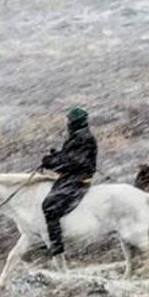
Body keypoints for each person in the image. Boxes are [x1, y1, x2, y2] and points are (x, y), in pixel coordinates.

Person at [39, 106, 97, 256]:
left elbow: (74, 162)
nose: (68, 123)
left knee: (49, 206)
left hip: (77, 179)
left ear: (75, 122)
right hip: (71, 177)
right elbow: (69, 156)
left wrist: (53, 162)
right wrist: (55, 157)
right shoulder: (78, 136)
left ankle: (57, 244)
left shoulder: (84, 138)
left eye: (70, 121)